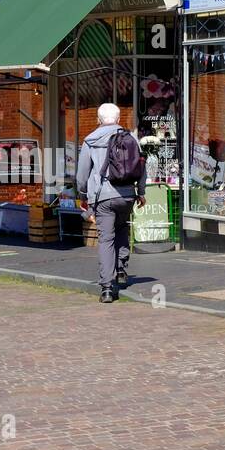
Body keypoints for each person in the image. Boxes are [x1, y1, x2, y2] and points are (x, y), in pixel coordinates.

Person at [76, 103, 146, 304]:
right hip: (126, 194)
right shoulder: (131, 138)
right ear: (118, 118)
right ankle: (122, 269)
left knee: (106, 239)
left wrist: (83, 195)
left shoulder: (90, 140)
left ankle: (107, 287)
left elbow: (82, 173)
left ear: (98, 119)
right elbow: (141, 166)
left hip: (102, 196)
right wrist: (140, 192)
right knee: (123, 228)